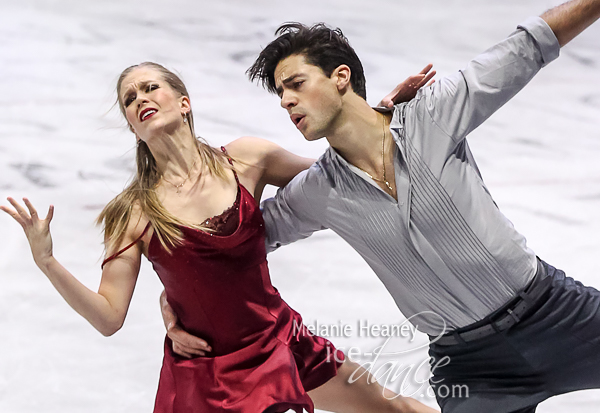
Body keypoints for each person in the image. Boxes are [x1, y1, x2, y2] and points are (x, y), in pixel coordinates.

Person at [162, 0, 600, 412]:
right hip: (473, 366)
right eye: (280, 93)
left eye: (295, 84)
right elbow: (225, 253)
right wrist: (174, 302)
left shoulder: (433, 115)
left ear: (340, 76)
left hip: (557, 316)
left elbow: (529, 47)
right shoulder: (315, 192)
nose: (285, 101)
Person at [0, 61, 438, 413]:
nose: (140, 100)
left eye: (150, 88)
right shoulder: (133, 212)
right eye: (130, 100)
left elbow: (341, 177)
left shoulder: (247, 159)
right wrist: (48, 263)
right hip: (211, 377)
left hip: (280, 339)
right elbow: (108, 317)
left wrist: (377, 114)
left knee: (392, 408)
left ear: (184, 102)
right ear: (134, 128)